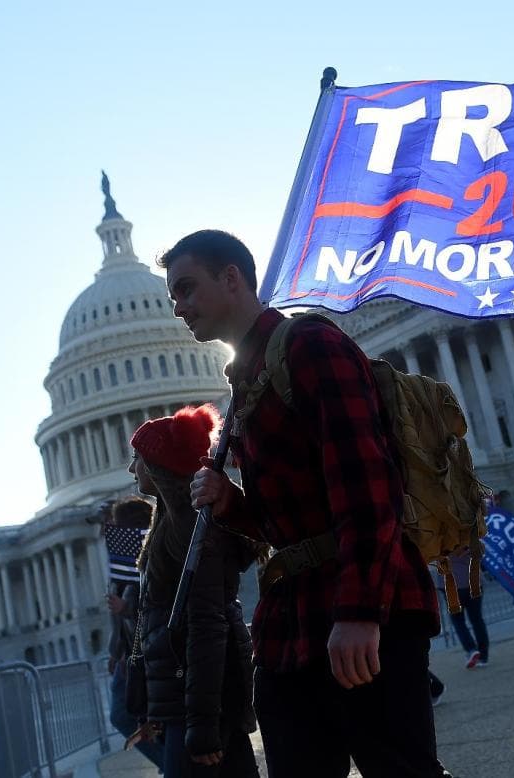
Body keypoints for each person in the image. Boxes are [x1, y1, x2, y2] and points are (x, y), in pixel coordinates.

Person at [164, 230, 448, 778]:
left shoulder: (310, 346)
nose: (179, 307)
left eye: (187, 289)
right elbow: (286, 522)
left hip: (360, 603)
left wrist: (360, 612)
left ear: (232, 278)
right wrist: (232, 504)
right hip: (290, 619)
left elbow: (367, 481)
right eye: (175, 297)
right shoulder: (245, 381)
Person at [129, 404, 261, 777]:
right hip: (191, 700)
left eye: (136, 459)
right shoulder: (173, 527)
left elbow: (205, 626)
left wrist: (201, 724)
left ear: (159, 465)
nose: (130, 469)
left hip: (201, 703)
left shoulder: (189, 532)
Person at [104, 497, 164, 771]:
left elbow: (152, 605)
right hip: (128, 655)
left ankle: (170, 765)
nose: (111, 530)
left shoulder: (143, 561)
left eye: (116, 525)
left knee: (128, 716)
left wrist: (125, 608)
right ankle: (170, 764)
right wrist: (115, 653)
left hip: (142, 655)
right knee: (131, 717)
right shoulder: (122, 566)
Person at [444, 547, 490, 669]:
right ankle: (483, 656)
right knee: (477, 620)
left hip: (452, 583)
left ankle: (470, 648)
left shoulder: (439, 535)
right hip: (474, 579)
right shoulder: (470, 530)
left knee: (458, 620)